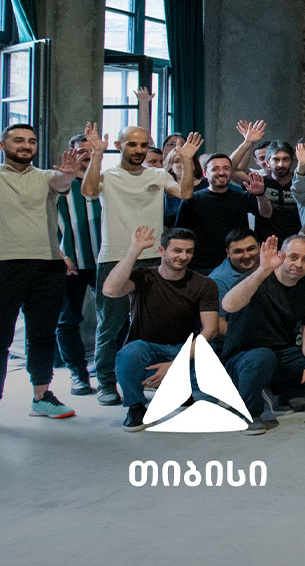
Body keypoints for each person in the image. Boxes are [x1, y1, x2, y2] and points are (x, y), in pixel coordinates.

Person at [82, 123, 202, 406]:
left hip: (153, 258)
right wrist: (97, 153)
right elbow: (88, 191)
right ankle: (106, 382)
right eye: (132, 144)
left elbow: (185, 193)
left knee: (154, 323)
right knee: (110, 325)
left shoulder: (157, 174)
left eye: (143, 145)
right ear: (119, 146)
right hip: (116, 257)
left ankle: (152, 379)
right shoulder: (108, 175)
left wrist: (186, 160)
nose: (138, 150)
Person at [0, 122, 83, 419]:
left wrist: (70, 173)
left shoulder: (45, 177)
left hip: (47, 265)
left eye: (31, 141)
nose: (26, 145)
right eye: (19, 140)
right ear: (3, 146)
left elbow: (61, 184)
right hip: (5, 264)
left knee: (42, 335)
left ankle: (41, 396)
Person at [103, 226, 220, 431]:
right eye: (177, 250)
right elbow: (110, 290)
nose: (183, 256)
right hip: (147, 350)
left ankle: (178, 389)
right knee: (129, 353)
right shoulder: (143, 278)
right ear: (162, 251)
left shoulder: (204, 284)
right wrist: (134, 250)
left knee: (211, 391)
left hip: (183, 351)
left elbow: (210, 330)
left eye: (189, 251)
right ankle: (136, 406)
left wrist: (175, 365)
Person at [220, 235, 305, 434]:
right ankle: (248, 412)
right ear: (281, 255)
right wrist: (263, 270)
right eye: (293, 257)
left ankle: (275, 391)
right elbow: (229, 305)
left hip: (280, 354)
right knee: (262, 358)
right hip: (243, 357)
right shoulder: (256, 279)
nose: (299, 264)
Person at [54, 134, 101, 395]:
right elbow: (44, 220)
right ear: (72, 153)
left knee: (113, 317)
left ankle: (108, 369)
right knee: (68, 319)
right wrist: (58, 253)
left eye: (91, 150)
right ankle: (77, 373)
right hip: (70, 261)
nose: (86, 155)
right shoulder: (60, 183)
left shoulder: (106, 180)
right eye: (81, 151)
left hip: (104, 260)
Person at [173, 153, 272, 273]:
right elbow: (179, 234)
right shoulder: (192, 200)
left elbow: (266, 213)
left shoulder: (242, 197)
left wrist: (260, 195)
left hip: (238, 263)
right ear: (205, 174)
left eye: (226, 168)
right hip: (201, 266)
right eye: (215, 169)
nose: (221, 172)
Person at [209, 229, 260, 341]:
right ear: (228, 253)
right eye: (238, 251)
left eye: (251, 249)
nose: (246, 256)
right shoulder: (218, 281)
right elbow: (218, 325)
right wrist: (253, 339)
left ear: (259, 247)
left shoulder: (267, 264)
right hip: (238, 342)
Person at [252, 140, 302, 243]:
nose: (281, 164)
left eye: (285, 159)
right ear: (267, 162)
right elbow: (264, 214)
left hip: (295, 243)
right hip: (266, 244)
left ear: (292, 161)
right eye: (275, 159)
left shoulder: (301, 185)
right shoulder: (260, 184)